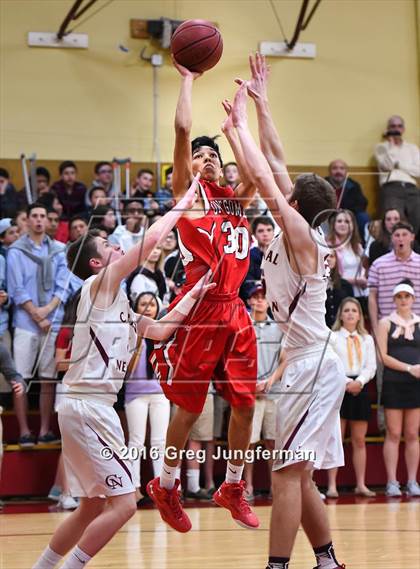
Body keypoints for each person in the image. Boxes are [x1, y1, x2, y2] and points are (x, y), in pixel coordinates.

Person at [31, 177, 215, 569]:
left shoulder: (120, 306)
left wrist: (197, 292)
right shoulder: (100, 284)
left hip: (84, 407)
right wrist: (183, 203)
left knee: (91, 506)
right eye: (111, 246)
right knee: (126, 504)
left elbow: (162, 329)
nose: (119, 247)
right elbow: (148, 244)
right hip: (88, 407)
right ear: (97, 262)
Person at [232, 53, 346, 569]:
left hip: (314, 366)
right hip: (305, 364)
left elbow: (262, 168)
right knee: (296, 473)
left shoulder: (302, 236)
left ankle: (277, 566)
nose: (281, 185)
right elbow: (274, 158)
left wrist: (236, 130)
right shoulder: (299, 223)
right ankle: (326, 561)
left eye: (287, 190)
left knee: (282, 474)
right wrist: (262, 103)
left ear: (296, 203)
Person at [147, 57, 259, 533]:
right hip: (200, 311)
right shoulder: (186, 198)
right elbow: (180, 127)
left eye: (212, 155)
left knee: (246, 404)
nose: (207, 157)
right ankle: (166, 484)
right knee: (189, 410)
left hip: (234, 309)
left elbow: (255, 174)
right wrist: (188, 81)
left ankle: (232, 486)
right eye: (201, 154)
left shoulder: (233, 201)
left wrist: (237, 125)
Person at [7, 202, 69, 447]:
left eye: (43, 216)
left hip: (51, 322)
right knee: (20, 379)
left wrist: (46, 313)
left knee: (47, 379)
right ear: (27, 220)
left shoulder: (59, 250)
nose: (39, 220)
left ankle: (44, 430)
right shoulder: (16, 251)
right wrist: (37, 315)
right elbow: (17, 288)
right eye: (34, 216)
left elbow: (63, 285)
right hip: (25, 322)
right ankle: (24, 431)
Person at [327, 298, 376, 498]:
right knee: (336, 438)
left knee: (359, 440)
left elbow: (371, 366)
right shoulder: (333, 337)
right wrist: (346, 381)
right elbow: (331, 362)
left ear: (359, 315)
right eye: (346, 310)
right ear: (340, 314)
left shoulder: (367, 339)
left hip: (360, 387)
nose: (349, 314)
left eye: (354, 310)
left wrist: (360, 382)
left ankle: (361, 484)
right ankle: (331, 485)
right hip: (340, 386)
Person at [124, 292, 170, 501]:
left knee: (160, 442)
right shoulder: (129, 335)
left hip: (160, 394)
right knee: (136, 442)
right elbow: (128, 370)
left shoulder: (164, 334)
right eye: (143, 304)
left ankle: (161, 488)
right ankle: (134, 488)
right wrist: (140, 339)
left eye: (152, 304)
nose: (148, 308)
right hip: (135, 394)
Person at [377, 280, 420, 497]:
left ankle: (412, 481)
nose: (403, 300)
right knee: (393, 433)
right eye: (399, 297)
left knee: (412, 434)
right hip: (394, 383)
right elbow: (383, 356)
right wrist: (409, 368)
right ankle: (392, 482)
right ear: (394, 300)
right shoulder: (385, 323)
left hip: (415, 386)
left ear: (413, 299)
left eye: (407, 296)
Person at [243, 285, 284, 501]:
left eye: (263, 298)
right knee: (248, 442)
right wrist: (248, 385)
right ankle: (248, 485)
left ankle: (274, 486)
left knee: (272, 442)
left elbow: (285, 359)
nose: (259, 301)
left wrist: (270, 381)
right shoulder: (242, 326)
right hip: (248, 393)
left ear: (269, 302)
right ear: (249, 301)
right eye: (255, 297)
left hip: (273, 392)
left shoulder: (277, 328)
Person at [368, 221, 420, 334]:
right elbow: (372, 297)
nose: (401, 238)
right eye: (397, 235)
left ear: (412, 237)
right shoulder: (378, 265)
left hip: (417, 325)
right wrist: (376, 326)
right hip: (387, 327)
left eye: (404, 235)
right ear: (392, 238)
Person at [374, 115, 420, 234]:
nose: (396, 129)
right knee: (393, 221)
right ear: (388, 129)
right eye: (393, 126)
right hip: (391, 187)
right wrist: (391, 144)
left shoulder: (412, 148)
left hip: (412, 188)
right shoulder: (381, 147)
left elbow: (418, 172)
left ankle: (414, 249)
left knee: (417, 218)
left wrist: (399, 165)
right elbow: (387, 166)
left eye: (399, 126)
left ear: (403, 129)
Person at [327, 209, 368, 314]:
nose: (343, 224)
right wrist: (355, 281)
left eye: (347, 221)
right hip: (340, 294)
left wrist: (363, 279)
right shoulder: (329, 246)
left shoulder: (357, 246)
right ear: (333, 224)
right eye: (339, 221)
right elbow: (331, 275)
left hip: (360, 294)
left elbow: (363, 268)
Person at [326, 159, 369, 239]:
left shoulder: (353, 185)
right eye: (335, 168)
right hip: (327, 216)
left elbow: (362, 203)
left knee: (363, 217)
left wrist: (346, 212)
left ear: (346, 171)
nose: (338, 171)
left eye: (342, 168)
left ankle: (361, 243)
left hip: (347, 215)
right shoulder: (323, 184)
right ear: (329, 171)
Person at [240, 216, 275, 300]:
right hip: (255, 301)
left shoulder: (282, 255)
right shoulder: (248, 256)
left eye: (269, 230)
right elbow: (247, 284)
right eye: (260, 231)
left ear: (274, 233)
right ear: (254, 235)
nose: (265, 234)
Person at [325, 251, 354, 329]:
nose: (328, 259)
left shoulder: (346, 285)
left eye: (331, 256)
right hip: (322, 329)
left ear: (336, 260)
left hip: (341, 330)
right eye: (325, 256)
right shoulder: (315, 285)